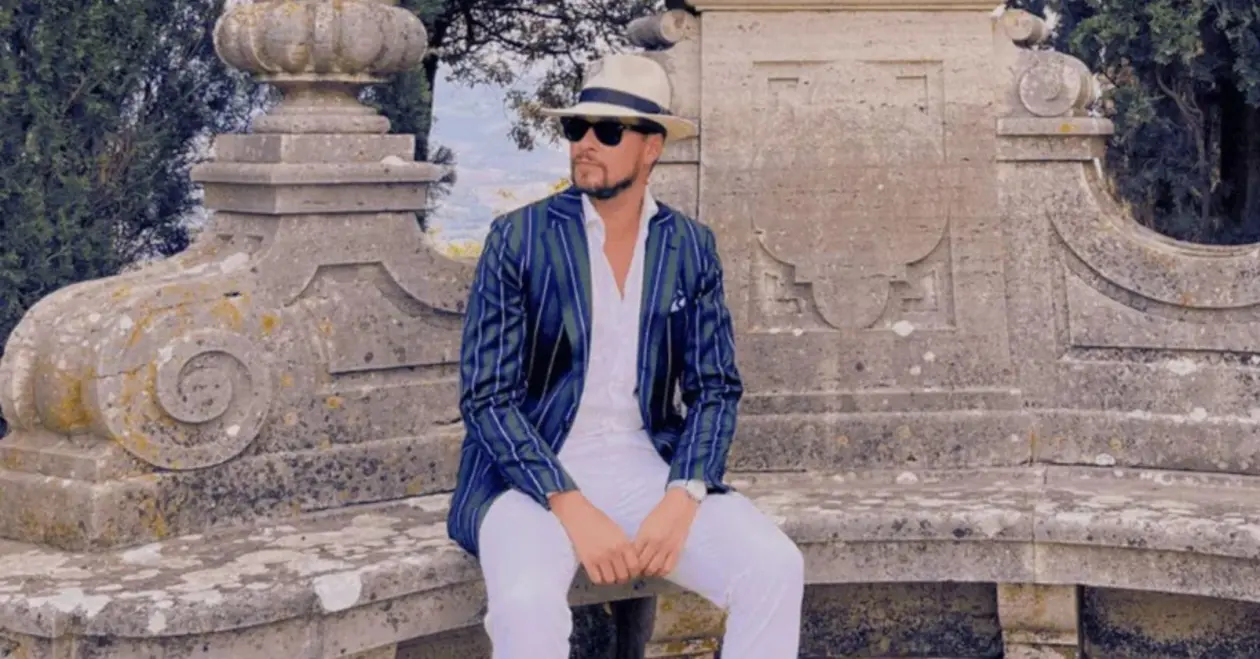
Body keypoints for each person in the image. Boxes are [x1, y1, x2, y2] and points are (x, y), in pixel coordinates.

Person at [445, 52, 805, 658]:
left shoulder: (690, 246)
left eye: (608, 131)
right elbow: (487, 397)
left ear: (651, 147)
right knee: (526, 605)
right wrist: (570, 504)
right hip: (527, 476)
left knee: (774, 567)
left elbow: (716, 388)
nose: (585, 143)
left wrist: (684, 491)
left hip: (646, 467)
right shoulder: (520, 237)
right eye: (576, 128)